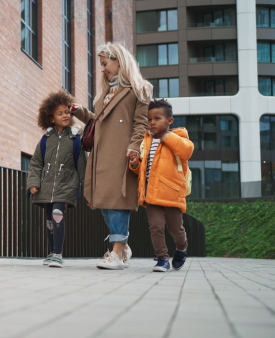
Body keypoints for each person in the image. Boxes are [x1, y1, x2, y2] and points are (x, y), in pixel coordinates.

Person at [70, 42, 152, 270]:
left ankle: (116, 252)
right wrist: (78, 111)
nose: (103, 69)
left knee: (117, 200)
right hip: (101, 152)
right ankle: (123, 246)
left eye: (106, 64)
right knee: (104, 201)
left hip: (122, 152)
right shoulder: (106, 91)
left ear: (119, 60)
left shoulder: (140, 88)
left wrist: (135, 147)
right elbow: (98, 121)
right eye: (101, 65)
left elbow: (141, 123)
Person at [129, 99, 194, 272]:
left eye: (157, 118)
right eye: (150, 119)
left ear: (169, 121)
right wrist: (135, 164)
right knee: (156, 227)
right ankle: (162, 258)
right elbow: (144, 170)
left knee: (176, 229)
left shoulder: (179, 136)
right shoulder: (147, 141)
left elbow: (187, 151)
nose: (152, 123)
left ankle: (182, 247)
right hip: (151, 195)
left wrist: (166, 136)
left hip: (171, 193)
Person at [27, 90, 87, 268]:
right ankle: (52, 251)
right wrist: (33, 183)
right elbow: (36, 163)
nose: (65, 116)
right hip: (46, 187)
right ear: (51, 118)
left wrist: (87, 191)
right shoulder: (46, 139)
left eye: (67, 112)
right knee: (49, 221)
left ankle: (58, 253)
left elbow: (82, 166)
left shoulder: (75, 139)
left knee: (57, 215)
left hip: (66, 186)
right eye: (60, 113)